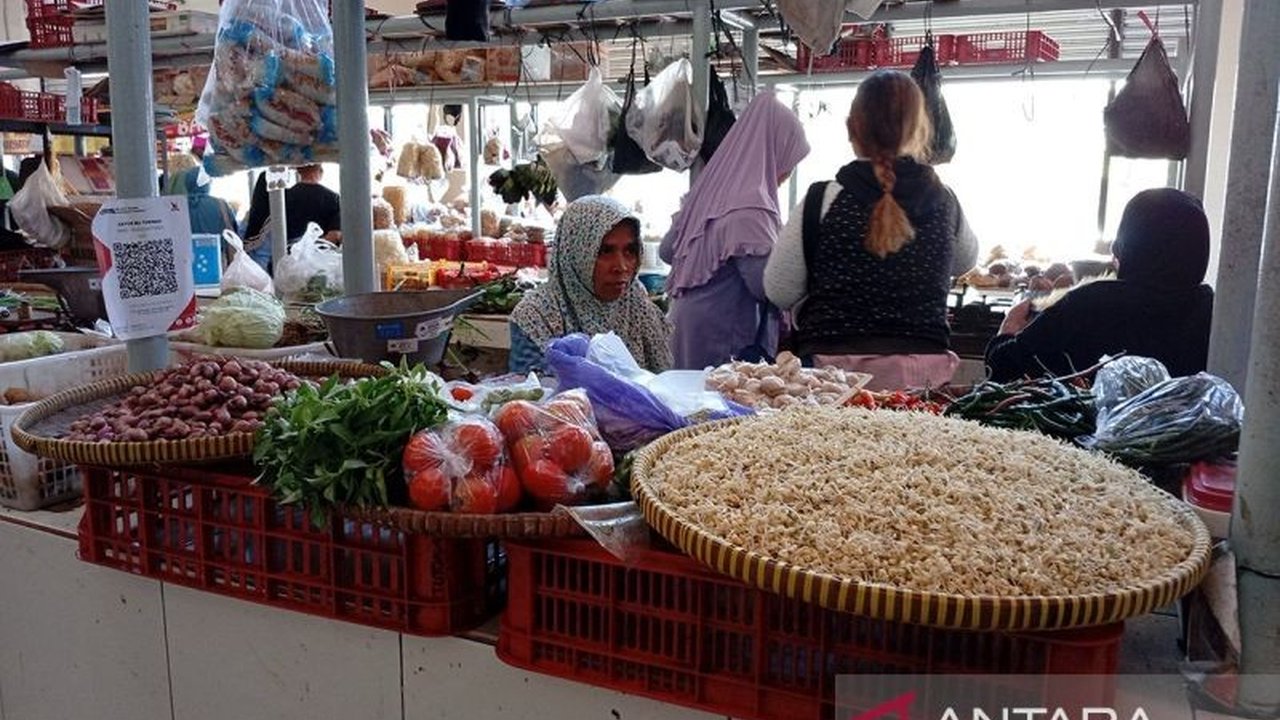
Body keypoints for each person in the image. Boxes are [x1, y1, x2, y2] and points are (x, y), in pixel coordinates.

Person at [764, 70, 977, 390]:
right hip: (922, 381)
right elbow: (965, 261)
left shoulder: (822, 200)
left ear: (853, 128)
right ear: (921, 130)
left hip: (833, 380)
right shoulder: (944, 200)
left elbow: (779, 290)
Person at [985, 188, 1213, 381]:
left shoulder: (1090, 303)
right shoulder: (1212, 312)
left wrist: (1007, 330)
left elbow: (1003, 369)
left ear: (1125, 246)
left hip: (1083, 433)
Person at [659, 91, 811, 369]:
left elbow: (667, 250)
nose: (787, 173)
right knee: (717, 409)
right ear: (772, 151)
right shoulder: (751, 208)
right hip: (720, 337)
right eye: (789, 160)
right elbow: (767, 287)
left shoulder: (708, 192)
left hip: (687, 327)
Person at [509, 195, 672, 374]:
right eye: (605, 251)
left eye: (629, 251)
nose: (622, 266)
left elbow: (665, 382)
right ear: (575, 252)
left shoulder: (635, 301)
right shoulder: (536, 315)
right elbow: (532, 396)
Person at [243, 163, 341, 245]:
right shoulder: (334, 199)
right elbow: (335, 235)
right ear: (321, 172)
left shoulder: (280, 199)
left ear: (298, 171)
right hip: (319, 260)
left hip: (284, 256)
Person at [169, 166, 237, 236]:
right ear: (207, 183)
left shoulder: (177, 207)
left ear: (188, 183)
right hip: (218, 246)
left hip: (185, 247)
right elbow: (233, 231)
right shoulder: (221, 205)